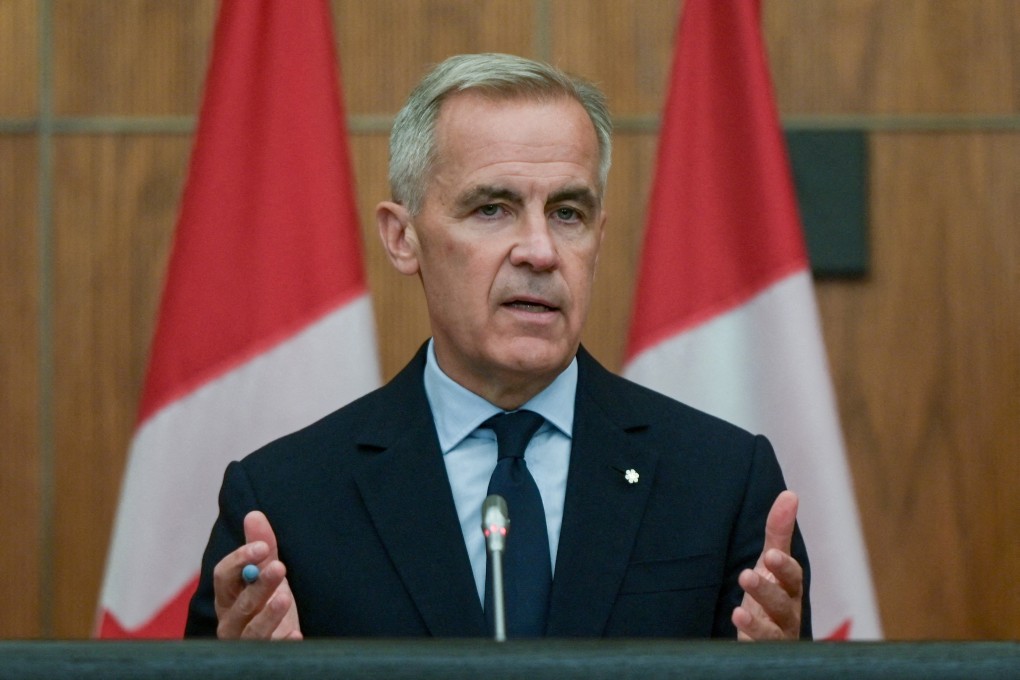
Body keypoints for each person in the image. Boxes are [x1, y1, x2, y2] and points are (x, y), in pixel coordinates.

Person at [184, 53, 810, 641]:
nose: (539, 251)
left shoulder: (721, 482)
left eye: (568, 213)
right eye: (492, 209)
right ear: (403, 238)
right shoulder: (286, 502)